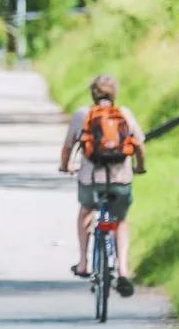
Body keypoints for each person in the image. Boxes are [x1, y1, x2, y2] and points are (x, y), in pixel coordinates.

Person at [59, 74, 146, 297]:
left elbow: (68, 146)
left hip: (90, 181)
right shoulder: (124, 114)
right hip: (120, 181)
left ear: (93, 93)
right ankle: (123, 269)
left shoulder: (83, 114)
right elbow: (139, 144)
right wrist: (139, 167)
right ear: (114, 93)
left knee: (86, 212)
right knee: (120, 221)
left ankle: (83, 262)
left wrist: (65, 166)